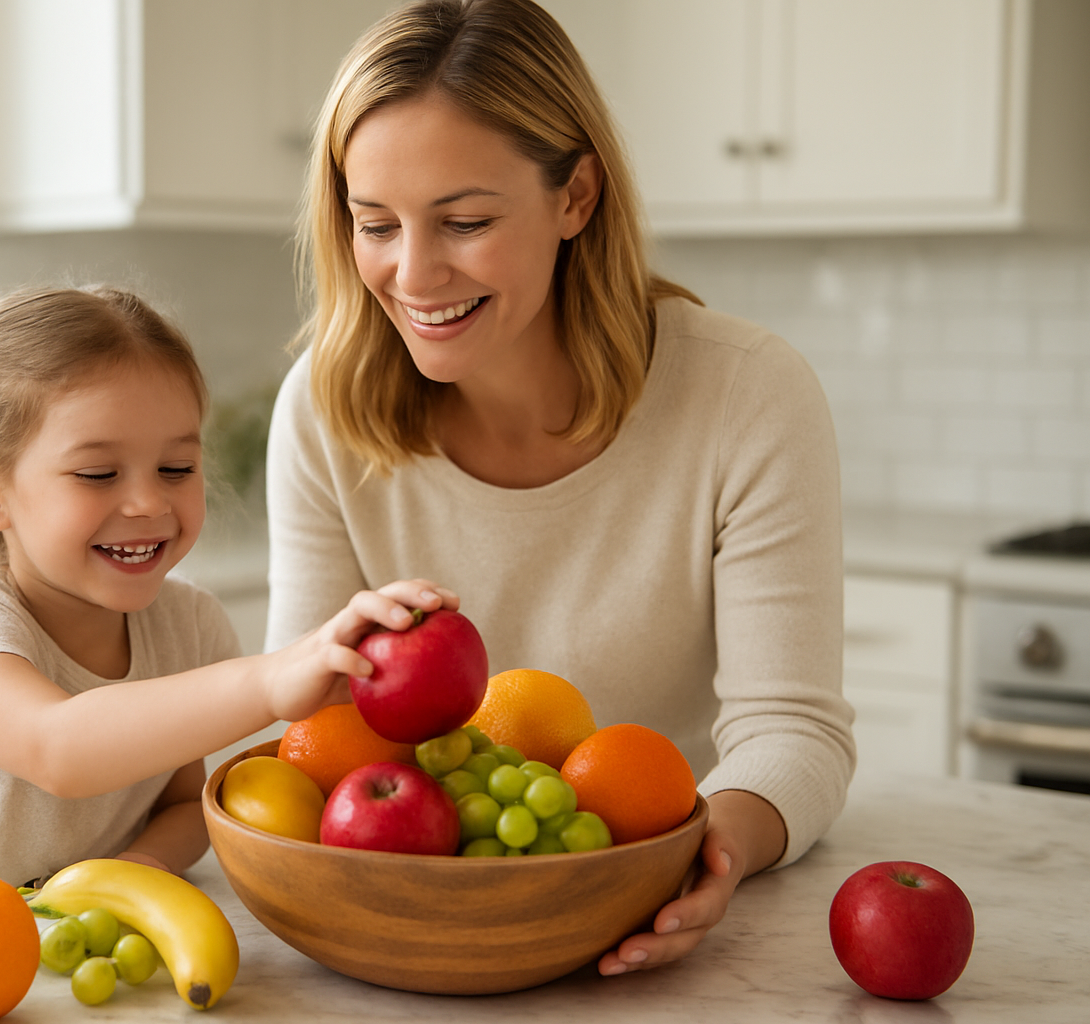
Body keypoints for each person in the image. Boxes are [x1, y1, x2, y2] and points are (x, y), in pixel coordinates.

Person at [265, 0, 855, 976]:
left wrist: (717, 848)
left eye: (465, 220)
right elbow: (315, 737)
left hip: (649, 890)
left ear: (576, 196)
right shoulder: (324, 412)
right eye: (375, 224)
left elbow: (793, 731)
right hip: (420, 911)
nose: (413, 273)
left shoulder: (746, 393)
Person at [0, 285, 454, 907]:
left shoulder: (188, 625)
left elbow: (185, 802)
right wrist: (269, 681)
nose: (148, 503)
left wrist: (135, 869)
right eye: (98, 474)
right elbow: (56, 748)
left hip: (55, 956)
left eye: (176, 469)